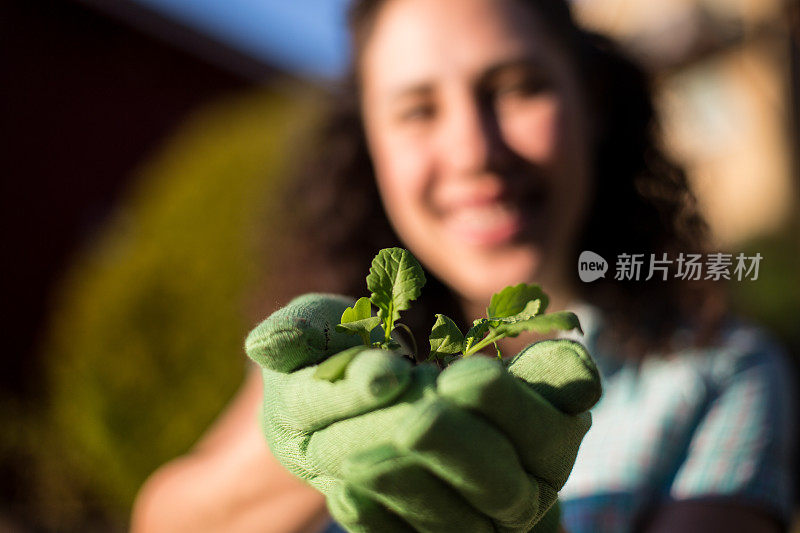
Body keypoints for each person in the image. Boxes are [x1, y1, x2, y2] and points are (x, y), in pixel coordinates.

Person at [130, 0, 797, 531]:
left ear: (591, 101)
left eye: (516, 87)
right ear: (371, 143)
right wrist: (298, 449)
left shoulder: (721, 376)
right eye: (418, 109)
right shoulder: (347, 344)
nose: (473, 151)